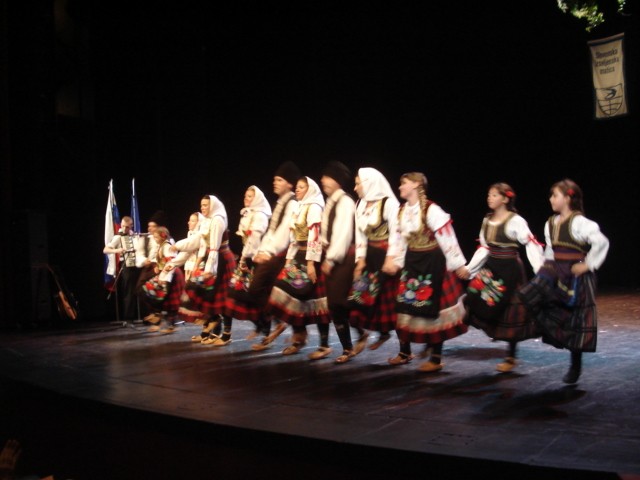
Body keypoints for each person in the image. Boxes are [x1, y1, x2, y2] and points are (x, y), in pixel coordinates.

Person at [518, 179, 609, 384]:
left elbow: (602, 243)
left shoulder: (581, 223)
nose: (551, 199)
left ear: (568, 198)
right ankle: (544, 330)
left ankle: (575, 365)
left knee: (577, 318)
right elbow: (550, 251)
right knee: (532, 297)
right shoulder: (551, 223)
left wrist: (588, 264)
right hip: (557, 272)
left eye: (555, 195)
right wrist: (544, 271)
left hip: (577, 276)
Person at [457, 183, 545, 372]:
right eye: (489, 195)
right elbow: (485, 247)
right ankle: (492, 328)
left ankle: (510, 356)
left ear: (505, 199)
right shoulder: (487, 220)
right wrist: (470, 268)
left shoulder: (516, 221)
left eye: (494, 195)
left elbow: (530, 244)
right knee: (474, 295)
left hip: (510, 268)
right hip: (492, 266)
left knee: (511, 311)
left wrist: (540, 270)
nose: (490, 198)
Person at [389, 172, 468, 372]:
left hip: (433, 264)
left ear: (416, 185)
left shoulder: (431, 210)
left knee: (434, 310)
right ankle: (410, 350)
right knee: (411, 306)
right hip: (413, 263)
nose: (400, 187)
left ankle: (435, 358)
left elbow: (447, 237)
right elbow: (399, 240)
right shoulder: (401, 211)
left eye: (404, 183)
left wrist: (458, 264)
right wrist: (396, 262)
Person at [266, 176, 331, 357]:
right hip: (298, 256)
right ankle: (299, 336)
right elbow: (294, 237)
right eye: (297, 187)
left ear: (310, 189)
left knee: (317, 303)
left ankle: (324, 345)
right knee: (285, 291)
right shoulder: (299, 207)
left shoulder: (314, 207)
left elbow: (315, 236)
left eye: (302, 187)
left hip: (313, 257)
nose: (297, 190)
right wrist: (289, 259)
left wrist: (311, 263)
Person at [247, 161, 301, 351]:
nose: (275, 183)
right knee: (270, 293)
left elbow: (285, 231)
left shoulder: (292, 203)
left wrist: (268, 252)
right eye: (275, 179)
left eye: (279, 180)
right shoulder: (280, 203)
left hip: (283, 254)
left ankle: (282, 323)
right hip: (273, 253)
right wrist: (261, 250)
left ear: (290, 183)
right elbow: (271, 231)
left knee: (260, 289)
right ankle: (277, 325)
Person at [348, 167, 401, 354]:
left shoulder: (389, 204)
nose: (355, 188)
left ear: (369, 183)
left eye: (358, 184)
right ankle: (377, 334)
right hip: (370, 256)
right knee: (359, 298)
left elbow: (396, 233)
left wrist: (391, 258)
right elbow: (360, 234)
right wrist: (360, 260)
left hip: (386, 256)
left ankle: (404, 350)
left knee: (390, 303)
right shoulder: (360, 204)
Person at [318, 161, 358, 363]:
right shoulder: (331, 202)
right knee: (335, 304)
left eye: (327, 177)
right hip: (333, 255)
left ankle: (353, 341)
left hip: (344, 256)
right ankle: (348, 347)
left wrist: (331, 259)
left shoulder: (345, 202)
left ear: (337, 180)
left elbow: (343, 234)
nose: (323, 180)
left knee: (338, 302)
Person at [186, 195, 237, 346]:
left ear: (213, 205)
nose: (203, 208)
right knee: (205, 293)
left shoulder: (217, 220)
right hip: (213, 259)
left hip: (222, 260)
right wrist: (197, 262)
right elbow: (202, 244)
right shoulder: (207, 221)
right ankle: (211, 327)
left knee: (224, 298)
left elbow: (214, 247)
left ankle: (226, 334)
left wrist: (208, 269)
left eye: (206, 205)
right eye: (201, 205)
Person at [225, 185, 272, 338]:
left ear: (257, 198)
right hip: (248, 257)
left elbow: (254, 240)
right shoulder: (247, 214)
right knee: (236, 292)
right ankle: (260, 322)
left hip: (257, 258)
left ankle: (266, 322)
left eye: (250, 196)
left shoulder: (260, 216)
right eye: (245, 196)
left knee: (254, 292)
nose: (246, 198)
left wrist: (244, 258)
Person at [141, 226, 186, 333]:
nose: (155, 239)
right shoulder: (161, 246)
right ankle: (158, 316)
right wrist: (158, 266)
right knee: (149, 291)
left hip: (171, 275)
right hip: (165, 273)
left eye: (156, 237)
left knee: (170, 300)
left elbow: (170, 263)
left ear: (162, 236)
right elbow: (162, 261)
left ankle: (170, 325)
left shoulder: (167, 246)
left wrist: (164, 277)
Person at [103, 215, 140, 321]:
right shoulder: (118, 237)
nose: (124, 229)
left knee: (138, 290)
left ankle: (141, 314)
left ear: (131, 226)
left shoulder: (135, 236)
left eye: (127, 227)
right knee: (128, 291)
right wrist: (117, 250)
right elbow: (105, 250)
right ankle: (128, 317)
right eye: (123, 226)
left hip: (137, 265)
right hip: (127, 265)